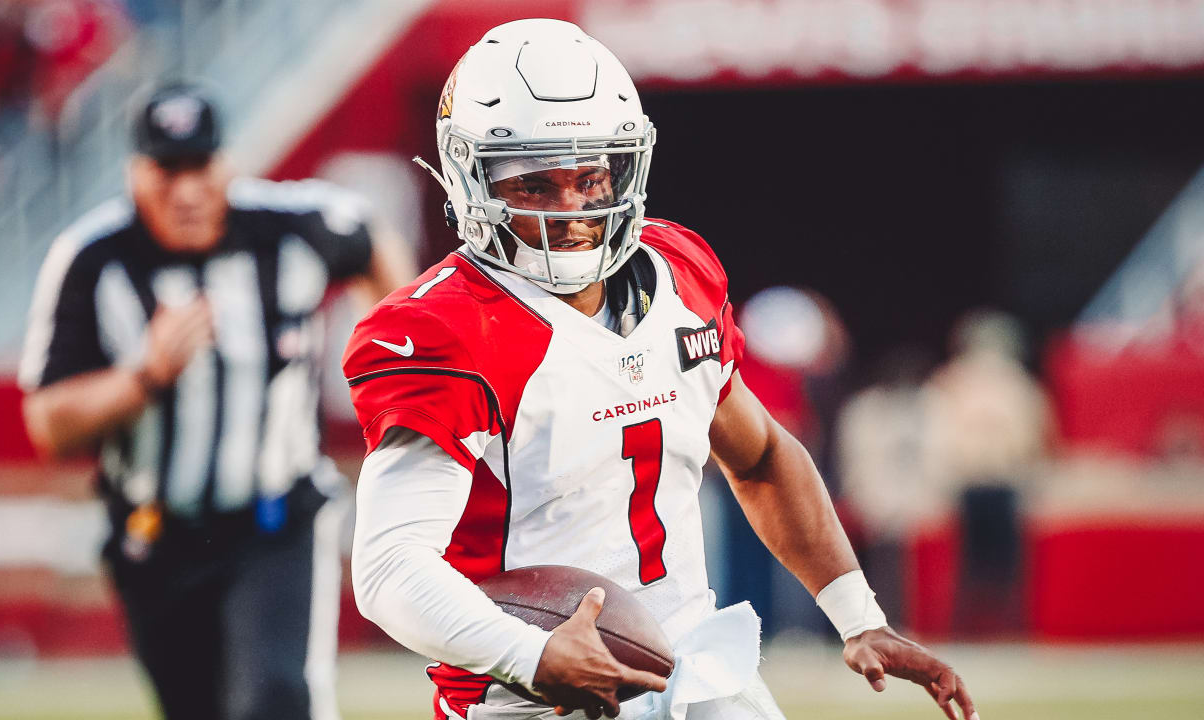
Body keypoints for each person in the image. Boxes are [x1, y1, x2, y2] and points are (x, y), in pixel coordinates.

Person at [344, 19, 977, 720]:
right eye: (536, 183)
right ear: (470, 177)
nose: (573, 210)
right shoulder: (444, 329)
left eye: (592, 176)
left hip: (693, 669)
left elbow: (762, 456)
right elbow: (389, 570)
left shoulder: (680, 273)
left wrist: (859, 615)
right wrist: (532, 656)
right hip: (523, 698)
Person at [19, 82, 412, 720]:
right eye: (166, 170)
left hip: (275, 522)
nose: (187, 191)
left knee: (275, 702)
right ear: (135, 173)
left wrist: (400, 368)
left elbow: (370, 236)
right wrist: (142, 376)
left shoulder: (290, 229)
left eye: (200, 167)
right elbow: (48, 425)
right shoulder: (91, 260)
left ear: (225, 165)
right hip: (153, 535)